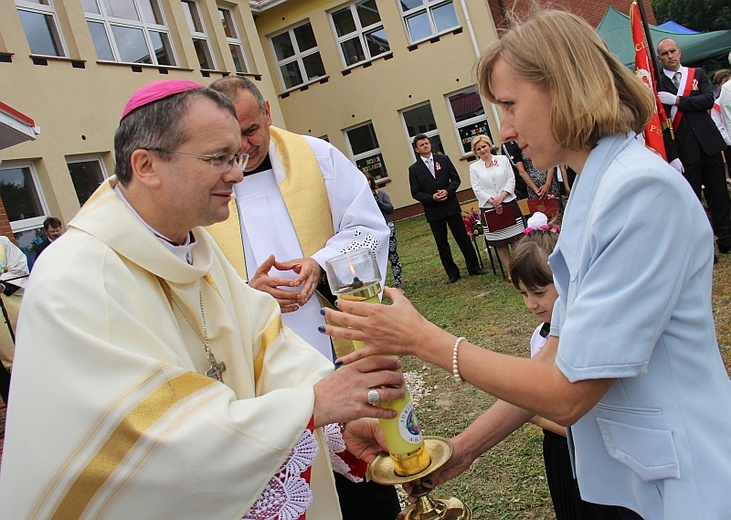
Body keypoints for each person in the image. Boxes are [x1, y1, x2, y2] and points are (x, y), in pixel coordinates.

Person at [323, 10, 731, 520]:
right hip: (639, 476)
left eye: (510, 104)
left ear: (563, 88)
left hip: (685, 482)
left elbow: (567, 394)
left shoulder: (638, 192)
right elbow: (556, 357)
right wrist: (464, 448)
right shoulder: (596, 186)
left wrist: (421, 339)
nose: (506, 129)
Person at [0, 79, 405, 519]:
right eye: (219, 159)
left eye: (237, 156)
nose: (237, 172)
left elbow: (269, 352)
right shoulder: (75, 278)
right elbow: (145, 438)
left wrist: (338, 423)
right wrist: (312, 405)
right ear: (147, 165)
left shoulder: (194, 250)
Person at [206, 76, 399, 520]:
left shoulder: (317, 158)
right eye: (230, 137)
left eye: (251, 130)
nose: (243, 147)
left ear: (269, 112)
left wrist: (322, 263)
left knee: (364, 476)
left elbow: (367, 228)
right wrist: (248, 296)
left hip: (335, 347)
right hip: (258, 374)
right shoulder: (204, 183)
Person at [657, 38, 731, 254]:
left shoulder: (697, 74)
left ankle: (726, 239)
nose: (670, 56)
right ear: (659, 58)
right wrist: (672, 156)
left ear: (679, 52)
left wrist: (678, 101)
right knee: (693, 202)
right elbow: (662, 124)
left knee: (719, 196)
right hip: (684, 150)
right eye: (664, 53)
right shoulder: (659, 84)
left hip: (709, 144)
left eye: (672, 51)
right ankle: (705, 245)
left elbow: (707, 100)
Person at [408, 134, 485, 284]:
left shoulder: (443, 159)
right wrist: (432, 198)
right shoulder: (414, 169)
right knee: (442, 243)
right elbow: (415, 192)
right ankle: (452, 273)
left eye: (427, 143)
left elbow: (456, 179)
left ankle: (473, 267)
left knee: (462, 237)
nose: (425, 146)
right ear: (417, 149)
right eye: (422, 145)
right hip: (434, 211)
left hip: (451, 206)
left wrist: (448, 191)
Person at [468, 134, 524, 275]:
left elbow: (511, 179)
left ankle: (522, 270)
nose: (482, 150)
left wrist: (502, 197)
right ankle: (511, 272)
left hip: (508, 202)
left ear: (490, 146)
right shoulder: (474, 168)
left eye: (484, 146)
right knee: (500, 242)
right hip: (489, 207)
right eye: (478, 148)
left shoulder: (503, 160)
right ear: (475, 152)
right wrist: (493, 201)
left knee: (516, 239)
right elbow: (477, 188)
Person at [0, 235, 29, 404]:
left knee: (23, 366)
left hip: (12, 316)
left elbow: (20, 270)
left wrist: (2, 284)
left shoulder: (3, 243)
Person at [366, 172, 402, 289]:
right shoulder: (360, 199)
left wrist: (378, 202)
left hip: (387, 228)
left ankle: (398, 285)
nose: (366, 182)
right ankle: (379, 287)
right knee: (374, 260)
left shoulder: (381, 194)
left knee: (393, 256)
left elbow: (390, 209)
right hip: (372, 232)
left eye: (368, 180)